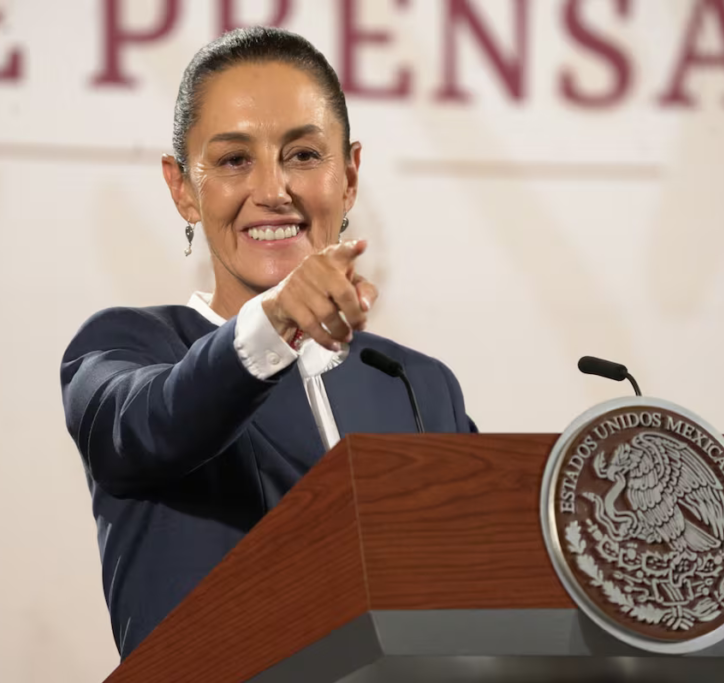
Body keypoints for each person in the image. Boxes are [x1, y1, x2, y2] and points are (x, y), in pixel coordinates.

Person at [60, 26, 476, 660]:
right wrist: (275, 320)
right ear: (182, 189)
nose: (273, 189)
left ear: (350, 175)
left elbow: (483, 589)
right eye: (232, 160)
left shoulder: (418, 386)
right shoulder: (127, 346)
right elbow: (151, 425)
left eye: (304, 155)